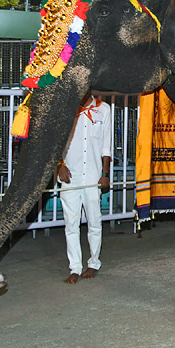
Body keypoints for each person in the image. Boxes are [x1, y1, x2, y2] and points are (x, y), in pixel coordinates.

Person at [57, 92, 113, 283]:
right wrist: (59, 165)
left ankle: (93, 263)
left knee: (94, 222)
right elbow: (56, 142)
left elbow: (106, 146)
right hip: (69, 176)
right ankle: (74, 267)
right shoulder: (66, 108)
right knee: (71, 224)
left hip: (92, 175)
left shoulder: (104, 110)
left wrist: (104, 174)